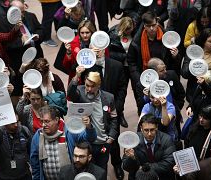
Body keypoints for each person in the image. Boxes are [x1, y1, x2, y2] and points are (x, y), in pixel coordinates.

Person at [77, 44, 128, 179]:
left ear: (105, 47)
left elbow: (122, 87)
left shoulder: (116, 65)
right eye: (94, 48)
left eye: (100, 47)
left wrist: (118, 106)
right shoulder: (89, 67)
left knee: (113, 140)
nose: (97, 50)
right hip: (93, 117)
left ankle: (117, 164)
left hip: (111, 108)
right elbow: (78, 88)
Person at [127, 11, 181, 115]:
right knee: (146, 109)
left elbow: (175, 63)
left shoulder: (167, 39)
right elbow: (131, 61)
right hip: (146, 81)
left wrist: (176, 56)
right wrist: (140, 80)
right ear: (144, 26)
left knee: (168, 107)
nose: (151, 28)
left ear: (157, 23)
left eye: (153, 25)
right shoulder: (137, 42)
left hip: (164, 78)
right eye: (148, 26)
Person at [67, 71, 119, 174]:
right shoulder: (79, 92)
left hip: (103, 143)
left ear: (99, 85)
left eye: (93, 86)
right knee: (85, 172)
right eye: (87, 85)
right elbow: (70, 93)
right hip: (86, 143)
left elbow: (114, 118)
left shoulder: (109, 98)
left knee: (102, 171)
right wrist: (77, 75)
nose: (89, 89)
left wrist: (111, 138)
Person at [122, 114, 176, 180]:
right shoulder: (133, 141)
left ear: (157, 127)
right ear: (141, 129)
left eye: (152, 130)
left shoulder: (167, 140)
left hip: (161, 175)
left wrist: (145, 168)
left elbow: (169, 163)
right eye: (146, 130)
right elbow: (126, 166)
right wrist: (131, 158)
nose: (149, 134)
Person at [147, 58, 185, 136]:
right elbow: (142, 104)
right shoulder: (145, 84)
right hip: (155, 120)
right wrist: (146, 95)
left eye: (165, 68)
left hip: (173, 114)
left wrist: (176, 108)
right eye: (161, 71)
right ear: (153, 72)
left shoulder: (171, 75)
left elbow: (181, 93)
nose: (165, 71)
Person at [30, 105, 67, 180]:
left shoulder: (67, 133)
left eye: (47, 121)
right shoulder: (38, 136)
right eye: (42, 121)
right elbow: (35, 162)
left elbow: (89, 138)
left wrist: (89, 127)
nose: (43, 125)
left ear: (56, 120)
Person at [60, 20, 97, 84]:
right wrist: (68, 52)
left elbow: (105, 61)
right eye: (82, 33)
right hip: (78, 77)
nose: (85, 35)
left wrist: (97, 55)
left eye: (87, 32)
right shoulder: (73, 43)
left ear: (92, 32)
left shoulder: (98, 43)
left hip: (94, 76)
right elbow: (67, 66)